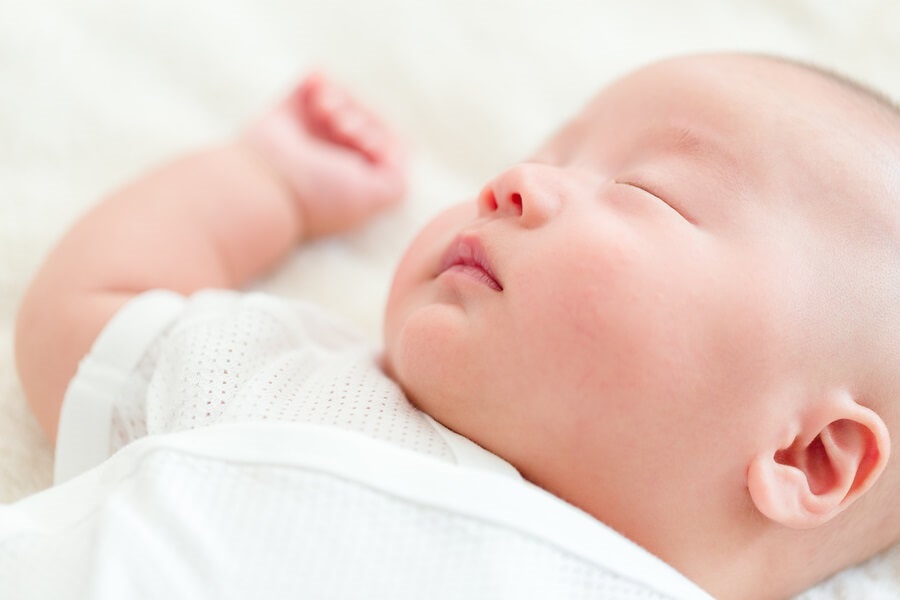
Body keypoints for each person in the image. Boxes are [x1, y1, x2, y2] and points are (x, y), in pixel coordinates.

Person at [12, 53, 900, 599]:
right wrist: (266, 186)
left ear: (809, 456)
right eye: (550, 154)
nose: (515, 180)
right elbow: (90, 311)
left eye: (646, 191)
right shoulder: (295, 389)